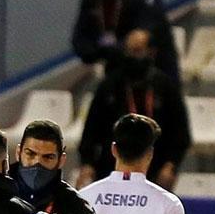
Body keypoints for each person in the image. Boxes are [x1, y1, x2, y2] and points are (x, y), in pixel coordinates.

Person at [77, 28, 190, 190]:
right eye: (128, 51)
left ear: (151, 52)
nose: (131, 56)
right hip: (112, 168)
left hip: (154, 169)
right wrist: (87, 164)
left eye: (137, 51)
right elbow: (91, 130)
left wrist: (171, 165)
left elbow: (181, 133)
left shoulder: (165, 86)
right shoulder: (110, 85)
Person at [71, 0, 180, 88]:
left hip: (155, 84)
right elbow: (80, 43)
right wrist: (101, 49)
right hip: (118, 83)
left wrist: (106, 49)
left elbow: (139, 40)